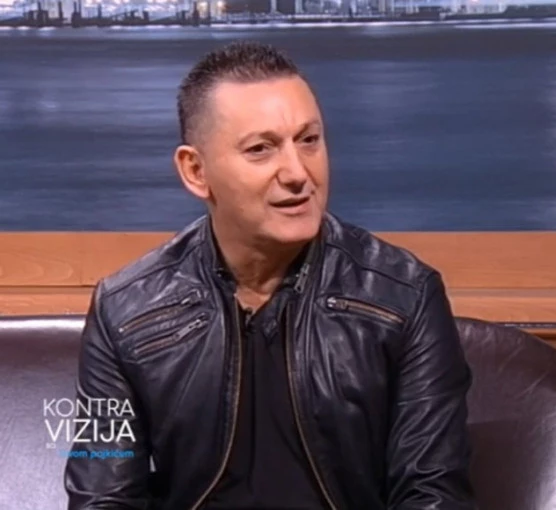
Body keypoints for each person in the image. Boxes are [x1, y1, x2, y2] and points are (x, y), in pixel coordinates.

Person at [64, 40, 475, 510]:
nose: (298, 172)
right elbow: (101, 495)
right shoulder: (123, 311)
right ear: (195, 171)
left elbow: (433, 493)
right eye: (261, 149)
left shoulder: (405, 297)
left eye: (309, 140)